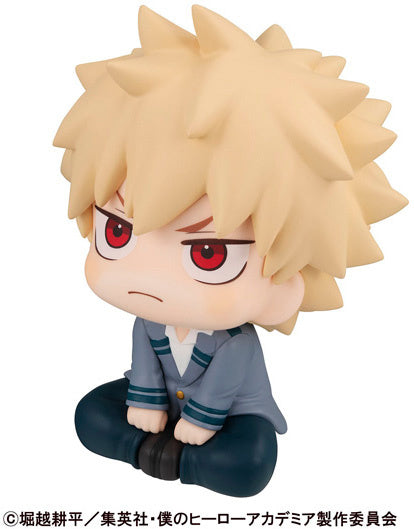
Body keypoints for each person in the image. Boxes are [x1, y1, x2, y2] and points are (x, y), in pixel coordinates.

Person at [54, 5, 407, 496]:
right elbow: (145, 364)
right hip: (163, 406)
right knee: (90, 415)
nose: (147, 279)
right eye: (117, 232)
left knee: (248, 464)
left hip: (228, 415)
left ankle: (164, 456)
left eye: (209, 254)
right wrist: (147, 402)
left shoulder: (235, 343)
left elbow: (223, 386)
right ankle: (166, 457)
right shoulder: (149, 321)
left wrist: (199, 422)